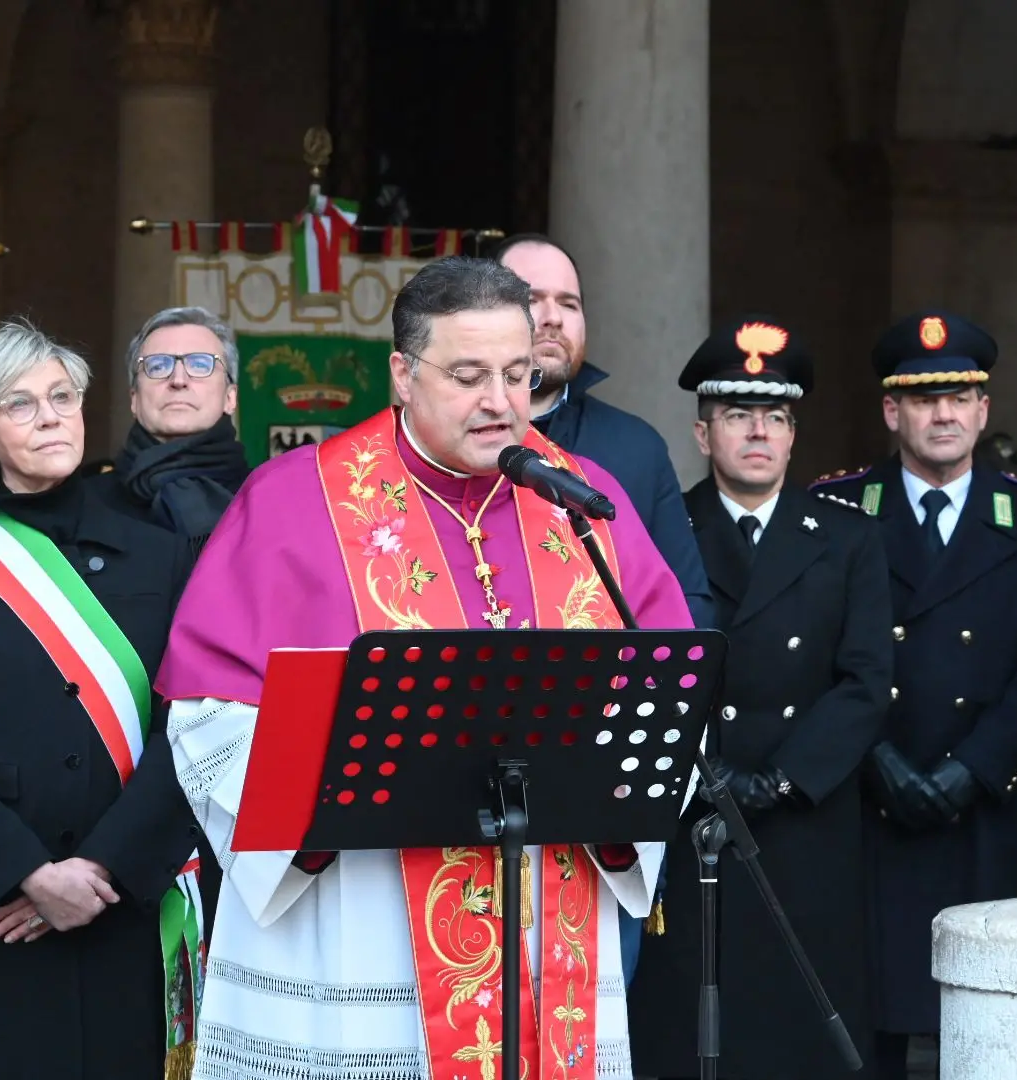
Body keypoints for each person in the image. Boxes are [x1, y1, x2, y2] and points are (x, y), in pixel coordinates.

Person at [158, 256, 694, 1080]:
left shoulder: (579, 503)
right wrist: (326, 800)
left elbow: (666, 693)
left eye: (519, 375)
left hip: (547, 919)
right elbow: (208, 710)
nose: (502, 403)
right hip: (356, 921)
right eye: (469, 375)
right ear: (402, 374)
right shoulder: (294, 501)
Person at [0, 320, 205, 1080]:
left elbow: (188, 728)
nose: (51, 415)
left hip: (125, 896)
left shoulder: (160, 553)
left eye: (61, 396)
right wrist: (29, 873)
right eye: (20, 404)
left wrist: (96, 871)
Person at [811, 311, 1017, 1080]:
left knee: (991, 1021)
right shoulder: (837, 508)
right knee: (872, 1027)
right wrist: (875, 759)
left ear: (983, 411)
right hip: (874, 800)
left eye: (960, 398)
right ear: (892, 412)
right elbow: (819, 658)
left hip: (986, 804)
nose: (944, 415)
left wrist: (973, 768)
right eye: (924, 400)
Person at [629, 316, 891, 1079]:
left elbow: (867, 680)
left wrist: (780, 781)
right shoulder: (664, 530)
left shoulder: (846, 538)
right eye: (738, 416)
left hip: (803, 815)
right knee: (692, 1019)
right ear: (703, 434)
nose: (758, 433)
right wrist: (703, 778)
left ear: (792, 435)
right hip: (695, 811)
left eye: (775, 418)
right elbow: (647, 669)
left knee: (794, 1025)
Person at [493, 233, 713, 627]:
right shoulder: (453, 439)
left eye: (569, 303)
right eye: (530, 299)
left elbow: (686, 604)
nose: (554, 317)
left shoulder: (637, 448)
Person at [91, 305, 251, 555]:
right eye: (157, 366)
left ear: (230, 398)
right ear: (134, 398)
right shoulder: (87, 504)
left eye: (200, 364)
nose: (178, 380)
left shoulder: (266, 500)